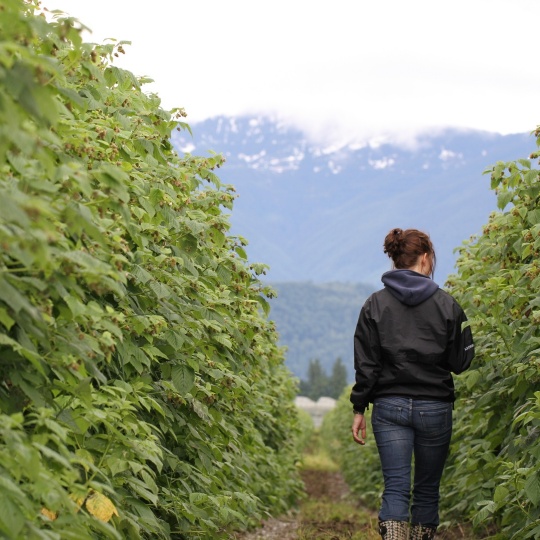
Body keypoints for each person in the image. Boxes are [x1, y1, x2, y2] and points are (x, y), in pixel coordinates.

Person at [350, 228, 474, 540]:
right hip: (435, 407)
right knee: (427, 490)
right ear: (426, 257)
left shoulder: (374, 305)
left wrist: (359, 408)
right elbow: (461, 363)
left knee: (395, 487)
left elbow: (367, 364)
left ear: (394, 260)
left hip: (389, 406)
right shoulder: (448, 305)